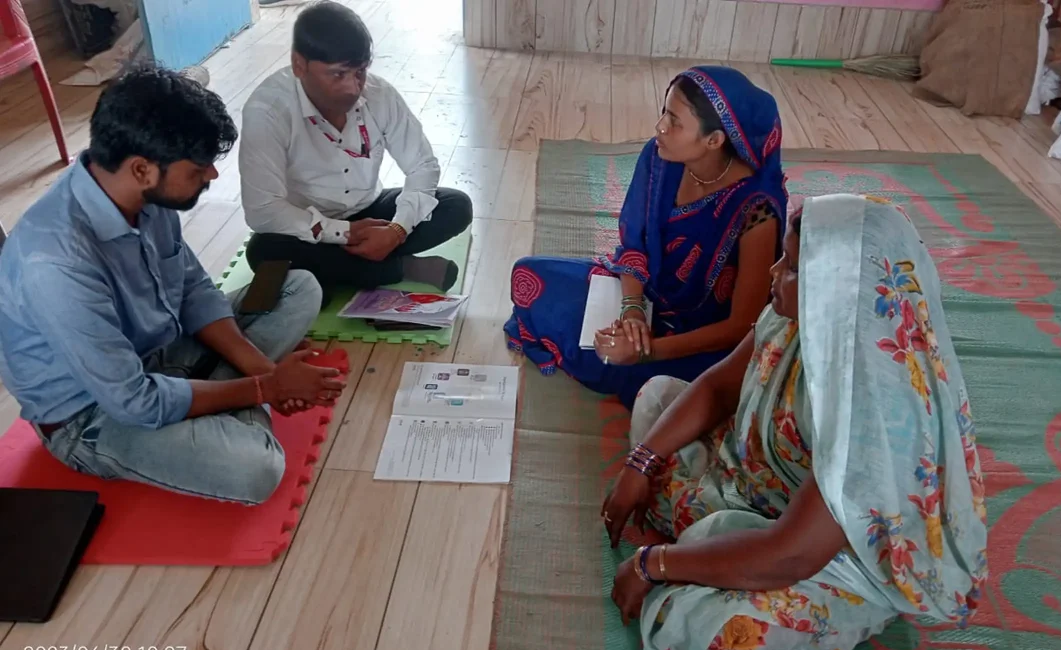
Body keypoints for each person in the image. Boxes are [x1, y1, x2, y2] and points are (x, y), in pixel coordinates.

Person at [600, 194, 989, 650]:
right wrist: (640, 462)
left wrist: (654, 563)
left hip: (832, 556)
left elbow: (793, 555)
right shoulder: (800, 316)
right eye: (784, 258)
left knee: (712, 631)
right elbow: (719, 386)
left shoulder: (875, 410)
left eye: (791, 267)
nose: (773, 272)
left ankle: (721, 552)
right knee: (659, 400)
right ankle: (717, 539)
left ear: (840, 287)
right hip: (764, 489)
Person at [0, 67, 346, 505]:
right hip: (92, 412)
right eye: (200, 167)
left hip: (162, 351)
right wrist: (267, 391)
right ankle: (219, 398)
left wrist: (266, 372)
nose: (212, 177)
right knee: (257, 468)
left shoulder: (143, 195)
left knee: (298, 288)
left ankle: (213, 394)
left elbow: (195, 291)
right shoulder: (55, 262)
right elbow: (134, 402)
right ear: (142, 168)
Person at [505, 66, 787, 409]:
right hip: (646, 295)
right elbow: (633, 242)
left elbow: (741, 326)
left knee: (644, 378)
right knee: (529, 274)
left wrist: (644, 350)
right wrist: (633, 311)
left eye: (675, 121)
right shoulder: (660, 157)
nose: (660, 127)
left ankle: (635, 370)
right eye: (664, 112)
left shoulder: (756, 210)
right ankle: (625, 361)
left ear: (714, 140)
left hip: (700, 336)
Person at [239, 0, 473, 306]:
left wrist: (397, 229)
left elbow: (422, 166)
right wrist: (343, 233)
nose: (353, 87)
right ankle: (399, 267)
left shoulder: (379, 93)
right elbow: (263, 210)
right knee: (263, 250)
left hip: (371, 210)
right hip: (308, 225)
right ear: (299, 65)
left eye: (360, 72)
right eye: (337, 75)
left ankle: (331, 273)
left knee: (456, 206)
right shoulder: (268, 112)